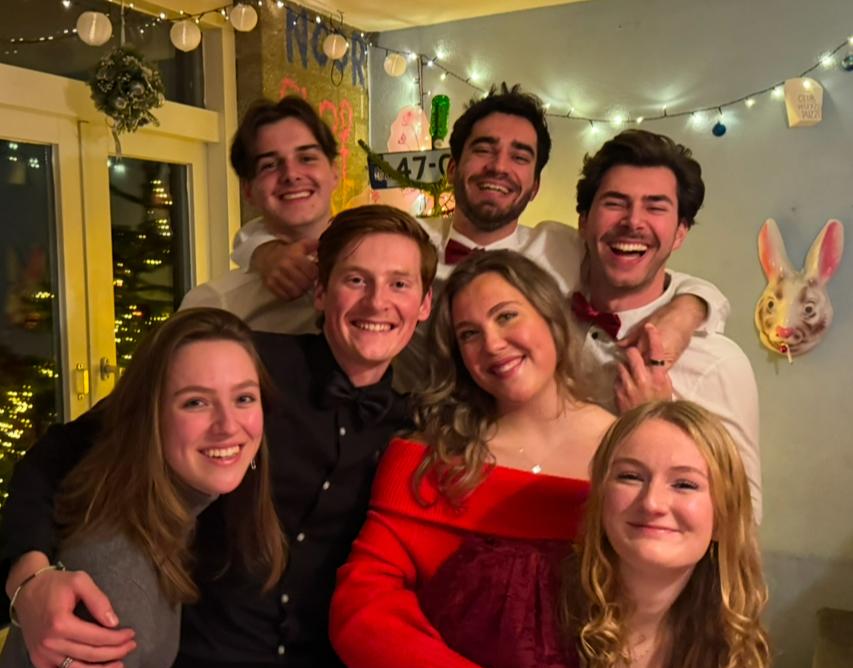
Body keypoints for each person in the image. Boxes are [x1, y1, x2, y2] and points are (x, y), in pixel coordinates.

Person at [0, 205, 437, 668]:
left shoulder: (420, 430)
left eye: (399, 284)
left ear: (424, 304)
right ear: (320, 292)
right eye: (355, 280)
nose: (376, 303)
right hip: (184, 666)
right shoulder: (236, 369)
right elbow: (59, 454)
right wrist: (29, 577)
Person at [232, 85, 730, 392]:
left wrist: (688, 312)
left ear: (534, 185)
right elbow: (330, 250)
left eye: (519, 156)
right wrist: (262, 250)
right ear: (453, 169)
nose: (498, 167)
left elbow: (663, 275)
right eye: (484, 150)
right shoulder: (409, 241)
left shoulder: (563, 247)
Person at [329, 250, 615, 668]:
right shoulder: (428, 461)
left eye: (506, 316)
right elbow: (362, 609)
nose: (493, 344)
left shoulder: (632, 455)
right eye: (469, 334)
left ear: (551, 317)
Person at [0, 308, 287, 668]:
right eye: (195, 402)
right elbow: (50, 456)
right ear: (148, 418)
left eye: (244, 398)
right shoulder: (117, 580)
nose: (228, 426)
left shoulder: (163, 516)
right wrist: (26, 576)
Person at [568, 129, 762, 520]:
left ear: (679, 234)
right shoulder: (541, 321)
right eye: (615, 203)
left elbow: (742, 516)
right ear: (584, 222)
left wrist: (658, 419)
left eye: (655, 207)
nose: (632, 222)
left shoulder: (717, 362)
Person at [564, 400, 770, 668]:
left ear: (723, 517)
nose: (652, 503)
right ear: (600, 499)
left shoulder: (730, 645)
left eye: (684, 484)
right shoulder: (529, 608)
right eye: (631, 477)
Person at [180, 95, 339, 332]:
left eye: (307, 158)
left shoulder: (387, 267)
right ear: (248, 190)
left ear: (335, 172)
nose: (291, 174)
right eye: (269, 165)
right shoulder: (214, 305)